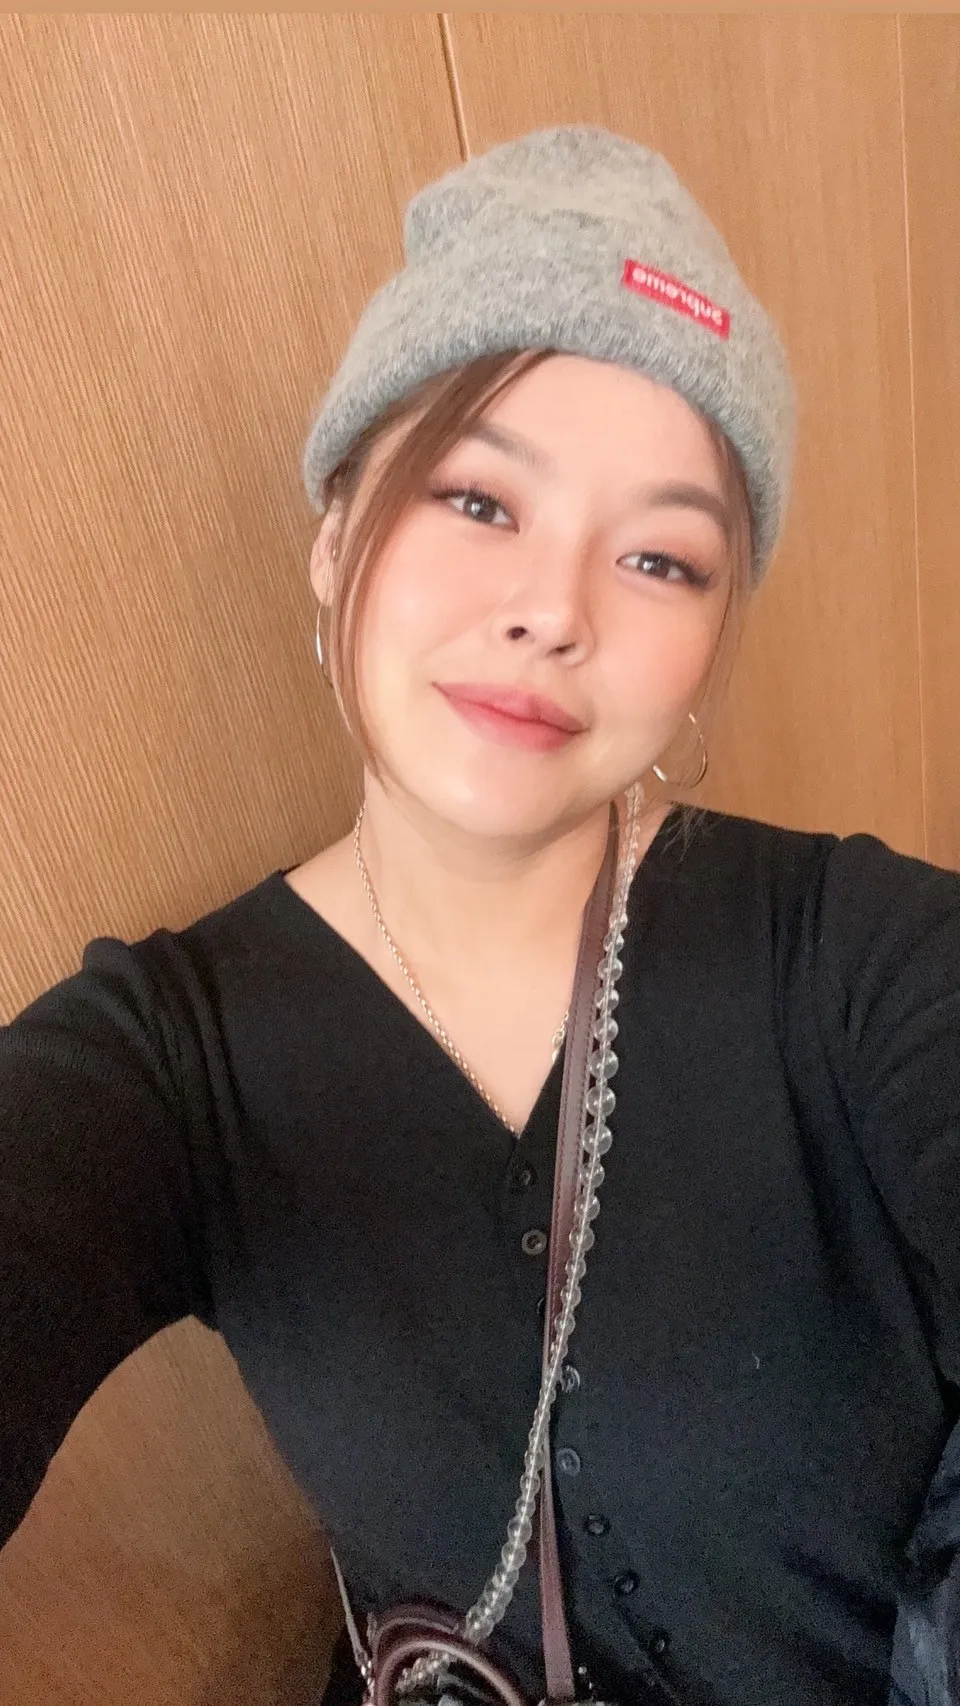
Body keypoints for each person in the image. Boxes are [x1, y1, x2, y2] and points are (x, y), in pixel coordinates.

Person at [1, 124, 958, 1706]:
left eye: (660, 556)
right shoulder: (170, 1057)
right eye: (479, 499)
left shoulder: (861, 957)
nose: (554, 611)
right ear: (335, 536)